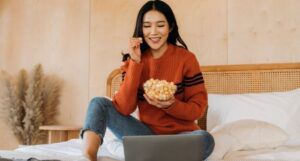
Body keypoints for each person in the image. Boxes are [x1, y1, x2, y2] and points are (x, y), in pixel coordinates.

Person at [80, 0, 215, 160]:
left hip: (181, 136)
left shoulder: (186, 59)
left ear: (170, 27)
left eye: (160, 25)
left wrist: (172, 105)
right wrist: (135, 63)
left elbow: (198, 109)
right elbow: (124, 108)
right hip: (145, 135)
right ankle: (88, 157)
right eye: (147, 26)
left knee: (206, 139)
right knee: (98, 103)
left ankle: (155, 156)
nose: (153, 32)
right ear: (141, 29)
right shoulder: (133, 61)